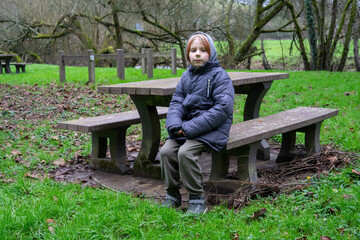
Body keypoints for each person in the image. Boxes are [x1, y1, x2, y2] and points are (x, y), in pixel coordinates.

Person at [160, 32, 235, 215]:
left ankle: (196, 199)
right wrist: (175, 125)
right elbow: (176, 103)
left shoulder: (220, 76)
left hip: (212, 128)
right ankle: (172, 195)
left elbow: (222, 109)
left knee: (185, 153)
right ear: (188, 54)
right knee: (166, 151)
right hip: (187, 128)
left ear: (211, 53)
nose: (198, 54)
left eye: (203, 50)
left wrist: (188, 128)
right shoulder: (186, 76)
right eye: (193, 50)